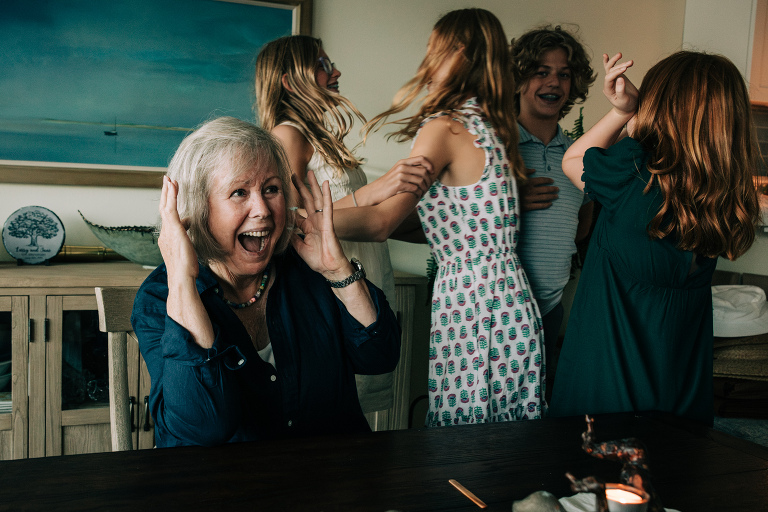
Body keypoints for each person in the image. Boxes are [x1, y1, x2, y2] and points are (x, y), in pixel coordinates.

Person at [130, 117, 401, 447]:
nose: (262, 209)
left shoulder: (309, 270)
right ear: (199, 208)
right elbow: (201, 429)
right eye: (239, 192)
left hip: (331, 483)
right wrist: (184, 282)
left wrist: (337, 269)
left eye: (271, 189)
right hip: (224, 492)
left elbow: (380, 357)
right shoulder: (161, 297)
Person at [334, 8, 545, 426]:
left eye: (436, 50)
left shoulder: (445, 128)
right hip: (511, 304)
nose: (426, 62)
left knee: (463, 448)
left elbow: (381, 224)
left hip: (472, 305)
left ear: (461, 55)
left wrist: (295, 222)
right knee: (509, 445)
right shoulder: (493, 127)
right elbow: (444, 225)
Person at [550, 51, 761, 425]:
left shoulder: (632, 171)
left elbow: (573, 159)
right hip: (680, 394)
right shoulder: (720, 197)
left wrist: (621, 112)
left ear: (660, 105)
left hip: (608, 391)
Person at [254, 35, 432, 417]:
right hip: (331, 295)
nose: (335, 71)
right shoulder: (287, 135)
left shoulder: (321, 138)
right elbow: (287, 221)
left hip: (362, 287)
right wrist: (374, 192)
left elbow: (365, 223)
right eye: (321, 63)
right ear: (289, 81)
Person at [510, 26, 596, 393]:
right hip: (497, 310)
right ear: (517, 78)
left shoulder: (580, 155)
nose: (554, 82)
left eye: (564, 74)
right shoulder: (496, 145)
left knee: (539, 424)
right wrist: (509, 202)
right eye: (541, 71)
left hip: (550, 311)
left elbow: (582, 226)